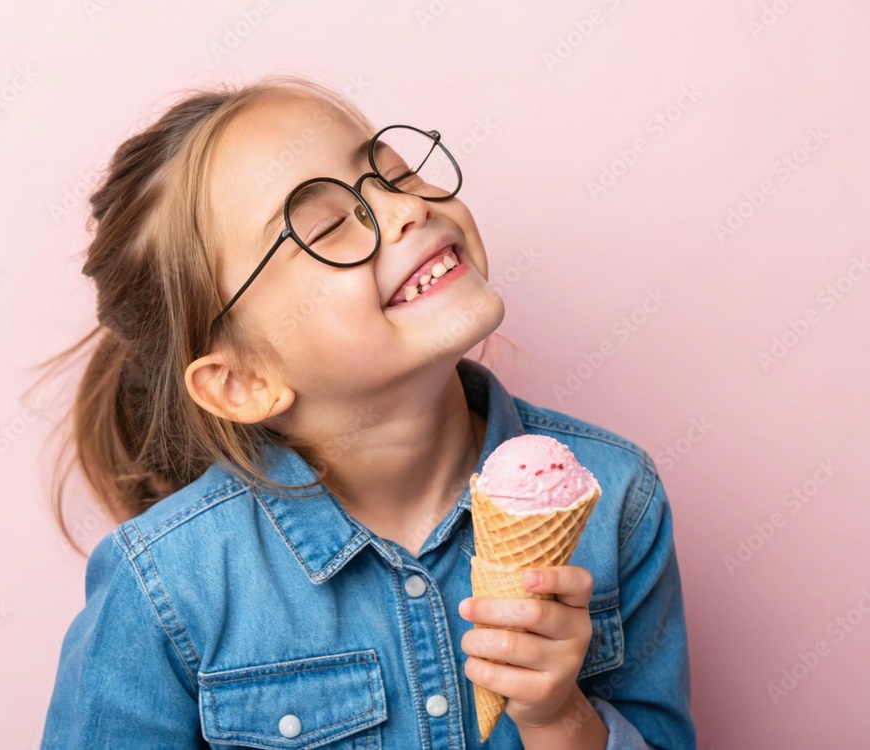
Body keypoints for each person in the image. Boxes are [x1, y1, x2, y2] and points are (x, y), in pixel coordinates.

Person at [38, 72, 696, 749]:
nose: (405, 209)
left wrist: (561, 719)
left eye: (394, 174)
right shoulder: (166, 586)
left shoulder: (614, 495)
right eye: (324, 226)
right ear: (243, 382)